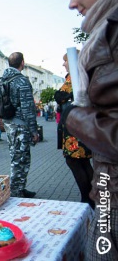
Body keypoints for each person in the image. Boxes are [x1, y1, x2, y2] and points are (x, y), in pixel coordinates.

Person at [61, 0, 118, 259]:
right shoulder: (105, 28)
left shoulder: (111, 31)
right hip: (108, 187)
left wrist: (73, 116)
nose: (71, 3)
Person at [55, 52, 94, 209]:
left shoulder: (75, 77)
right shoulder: (85, 75)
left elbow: (60, 95)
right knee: (83, 162)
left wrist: (59, 95)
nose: (64, 65)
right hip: (82, 125)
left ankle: (87, 200)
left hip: (75, 128)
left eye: (65, 61)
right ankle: (91, 198)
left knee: (74, 161)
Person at [1, 52, 39, 198]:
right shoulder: (21, 81)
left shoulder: (4, 78)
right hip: (20, 126)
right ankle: (16, 192)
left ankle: (20, 187)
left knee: (16, 157)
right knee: (21, 159)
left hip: (10, 125)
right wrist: (34, 131)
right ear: (22, 63)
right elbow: (28, 108)